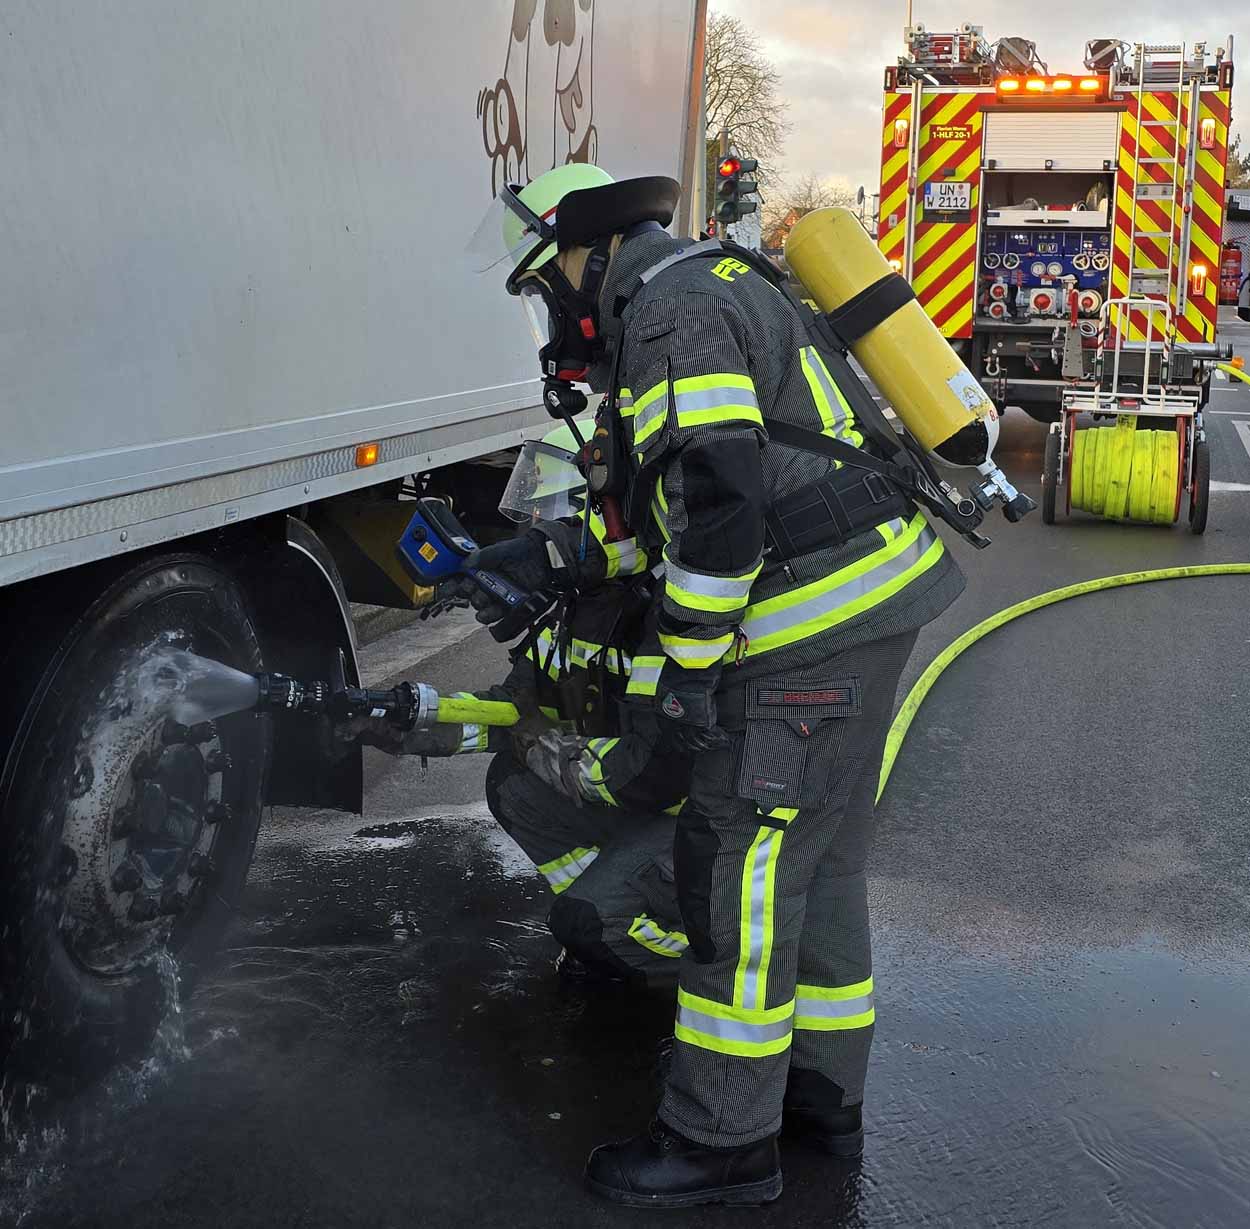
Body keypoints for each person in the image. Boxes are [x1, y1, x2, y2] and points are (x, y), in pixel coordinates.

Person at [465, 163, 967, 1208]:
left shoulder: (669, 313)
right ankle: (820, 1096)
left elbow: (722, 503)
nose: (551, 306)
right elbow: (707, 498)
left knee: (738, 871)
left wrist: (682, 672)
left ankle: (719, 1136)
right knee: (816, 863)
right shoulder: (720, 281)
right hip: (868, 603)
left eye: (546, 278)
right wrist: (575, 559)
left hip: (807, 629)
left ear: (588, 252)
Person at [347, 425, 693, 987]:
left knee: (589, 918)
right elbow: (513, 712)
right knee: (511, 783)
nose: (533, 531)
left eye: (547, 515)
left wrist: (536, 744)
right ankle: (605, 914)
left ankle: (693, 960)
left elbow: (645, 777)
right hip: (640, 806)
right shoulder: (573, 612)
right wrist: (408, 720)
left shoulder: (660, 619)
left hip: (694, 819)